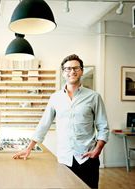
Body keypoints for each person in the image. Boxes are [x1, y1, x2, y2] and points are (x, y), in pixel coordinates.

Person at [13, 54, 109, 189]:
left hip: (88, 157)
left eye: (76, 68)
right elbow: (44, 124)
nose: (72, 71)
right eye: (68, 69)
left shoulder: (94, 97)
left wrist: (98, 150)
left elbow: (103, 126)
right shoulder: (55, 98)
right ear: (63, 72)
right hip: (65, 158)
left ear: (81, 71)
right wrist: (29, 148)